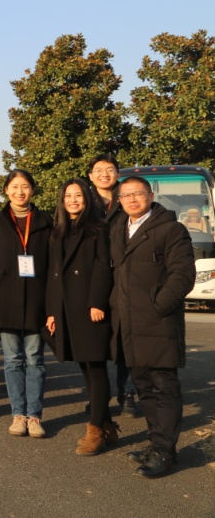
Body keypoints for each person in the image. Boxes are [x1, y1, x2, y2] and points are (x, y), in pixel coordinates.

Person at [111, 176, 196, 478]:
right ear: (119, 200)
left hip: (158, 322)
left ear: (150, 195)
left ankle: (166, 452)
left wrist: (158, 305)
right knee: (144, 386)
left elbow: (183, 275)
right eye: (126, 195)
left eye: (138, 194)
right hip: (129, 324)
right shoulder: (118, 229)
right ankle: (156, 443)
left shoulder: (171, 229)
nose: (132, 199)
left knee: (164, 387)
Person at [45, 177, 117, 455]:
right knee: (85, 368)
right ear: (62, 201)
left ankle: (96, 430)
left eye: (79, 195)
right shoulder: (59, 230)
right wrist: (51, 311)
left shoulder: (98, 227)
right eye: (68, 196)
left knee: (96, 368)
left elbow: (103, 267)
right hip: (66, 308)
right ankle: (107, 424)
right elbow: (53, 274)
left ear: (87, 199)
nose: (73, 200)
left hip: (90, 307)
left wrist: (97, 302)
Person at [0, 168, 52, 438]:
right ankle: (17, 415)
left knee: (35, 359)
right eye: (14, 187)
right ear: (6, 190)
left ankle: (34, 416)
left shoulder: (45, 221)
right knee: (12, 360)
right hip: (5, 298)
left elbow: (54, 262)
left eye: (25, 186)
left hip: (37, 298)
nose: (20, 191)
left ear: (32, 190)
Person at [87, 155, 139, 417]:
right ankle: (98, 396)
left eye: (110, 170)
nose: (104, 174)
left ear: (117, 174)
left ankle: (127, 391)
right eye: (99, 170)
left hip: (122, 277)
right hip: (91, 279)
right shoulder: (83, 203)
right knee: (94, 339)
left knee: (123, 337)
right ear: (90, 176)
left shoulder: (128, 200)